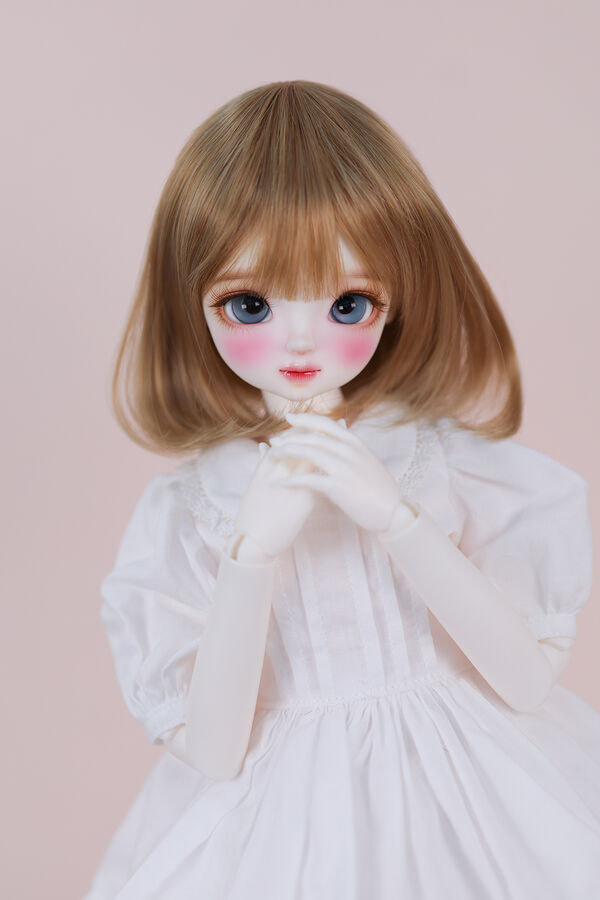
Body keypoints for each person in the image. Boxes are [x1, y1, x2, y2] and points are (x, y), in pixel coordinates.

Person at [83, 80, 600, 899]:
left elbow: (528, 683)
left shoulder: (443, 464)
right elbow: (214, 754)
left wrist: (397, 518)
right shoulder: (194, 508)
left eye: (348, 303)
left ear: (396, 301)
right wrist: (249, 554)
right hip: (278, 823)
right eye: (249, 304)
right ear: (193, 304)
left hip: (473, 788)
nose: (299, 341)